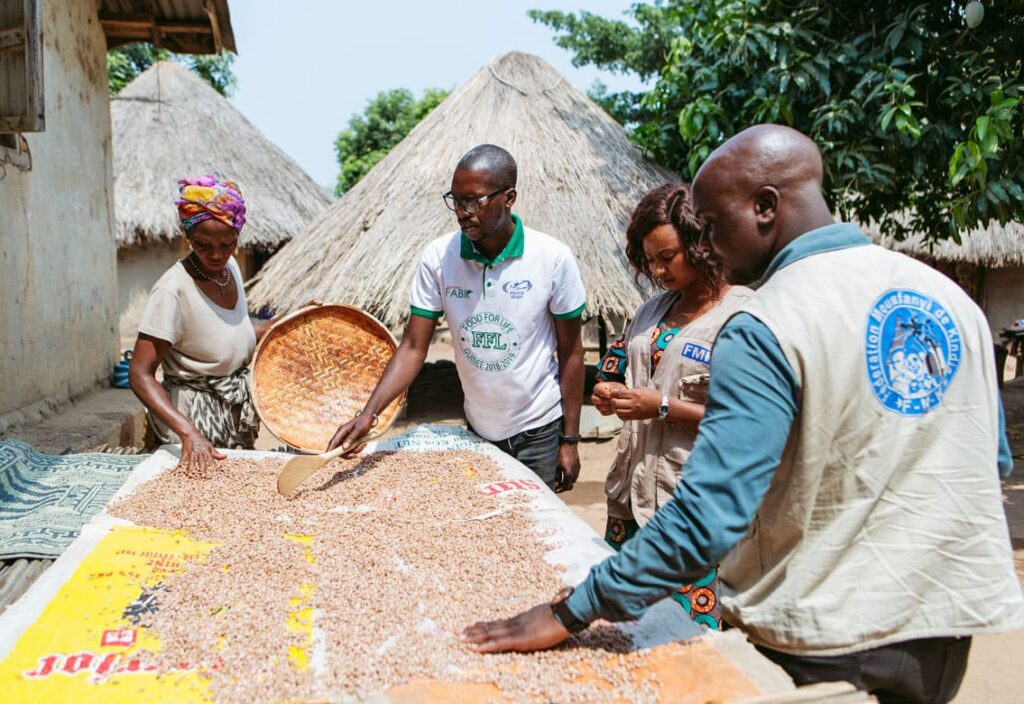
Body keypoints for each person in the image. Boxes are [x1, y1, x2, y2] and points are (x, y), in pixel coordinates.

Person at [460, 126, 1023, 704]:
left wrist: (571, 610)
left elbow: (709, 514)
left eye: (709, 225)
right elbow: (987, 463)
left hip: (828, 631)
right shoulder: (947, 298)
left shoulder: (768, 322)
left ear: (764, 207)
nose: (707, 245)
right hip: (944, 626)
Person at [328, 145, 586, 491]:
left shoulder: (552, 257)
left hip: (539, 431)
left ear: (509, 197)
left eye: (473, 201)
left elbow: (572, 353)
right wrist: (368, 414)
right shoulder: (439, 256)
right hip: (478, 429)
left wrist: (569, 440)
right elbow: (413, 346)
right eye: (456, 200)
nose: (462, 213)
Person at [591, 183, 752, 629]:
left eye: (668, 257)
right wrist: (607, 393)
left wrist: (662, 406)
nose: (658, 270)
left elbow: (748, 420)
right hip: (631, 493)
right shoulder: (650, 311)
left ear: (701, 247)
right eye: (649, 260)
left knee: (688, 635)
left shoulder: (742, 316)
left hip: (689, 499)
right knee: (623, 625)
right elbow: (615, 369)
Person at [129, 175, 280, 473]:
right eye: (202, 245)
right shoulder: (173, 290)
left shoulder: (230, 269)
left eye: (226, 244)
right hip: (192, 416)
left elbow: (232, 330)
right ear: (188, 237)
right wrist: (188, 433)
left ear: (238, 237)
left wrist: (287, 322)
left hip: (231, 409)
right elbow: (139, 373)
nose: (215, 254)